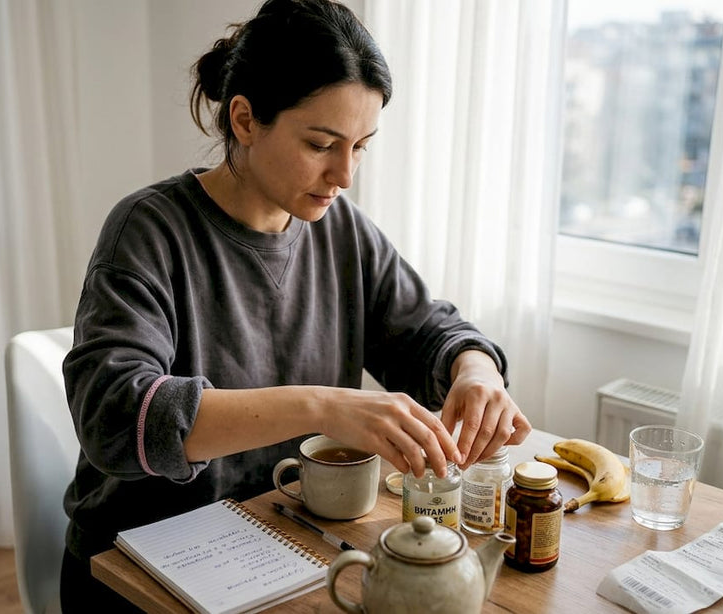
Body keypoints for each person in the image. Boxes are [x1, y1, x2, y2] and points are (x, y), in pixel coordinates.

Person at [59, 0, 531, 609]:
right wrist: (324, 407)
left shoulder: (342, 231)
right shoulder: (149, 229)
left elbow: (427, 333)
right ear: (246, 119)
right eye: (320, 143)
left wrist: (475, 367)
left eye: (360, 146)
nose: (344, 174)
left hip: (282, 543)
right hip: (138, 573)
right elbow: (116, 418)